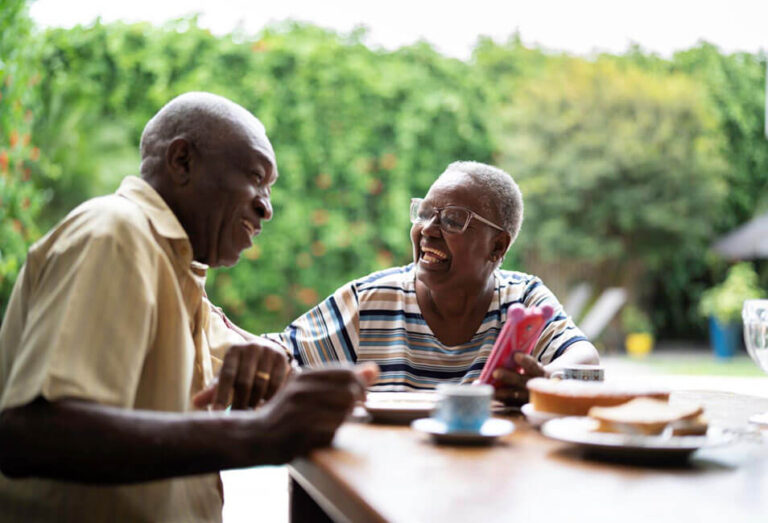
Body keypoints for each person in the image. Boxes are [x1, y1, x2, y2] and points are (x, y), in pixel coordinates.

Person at [0, 92, 377, 522]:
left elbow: (257, 359)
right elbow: (33, 434)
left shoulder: (176, 271)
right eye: (255, 178)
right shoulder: (114, 235)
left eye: (268, 190)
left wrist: (272, 368)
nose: (266, 208)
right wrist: (257, 433)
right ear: (182, 161)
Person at [268, 161, 598, 404]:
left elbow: (585, 358)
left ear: (497, 246)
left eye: (452, 220)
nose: (427, 229)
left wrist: (547, 380)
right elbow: (283, 351)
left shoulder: (522, 299)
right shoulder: (373, 300)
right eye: (425, 214)